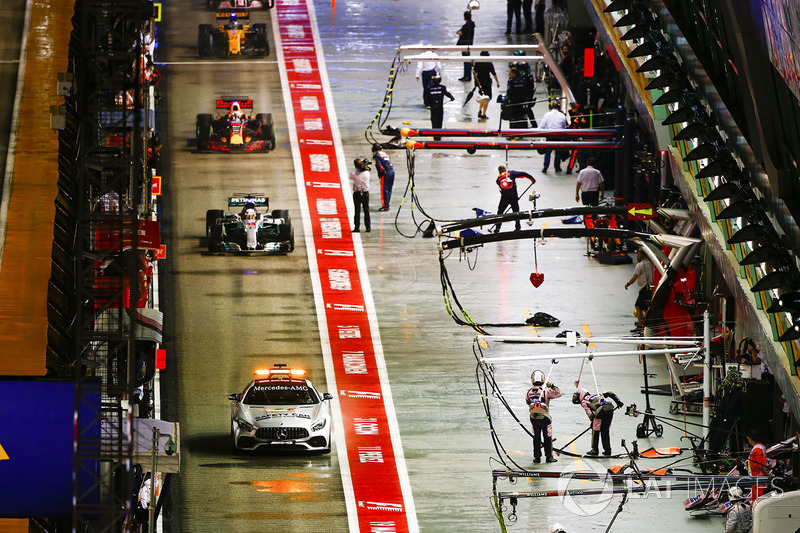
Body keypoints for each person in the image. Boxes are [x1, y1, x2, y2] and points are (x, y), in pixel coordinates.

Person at [526, 369, 562, 463]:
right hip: (545, 417)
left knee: (536, 437)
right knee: (547, 437)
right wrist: (553, 386)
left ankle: (537, 457)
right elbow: (559, 394)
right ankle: (549, 457)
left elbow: (528, 403)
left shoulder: (528, 392)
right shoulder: (546, 391)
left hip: (533, 418)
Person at [573, 388, 624, 456]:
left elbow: (590, 414)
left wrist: (592, 422)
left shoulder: (584, 402)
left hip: (600, 411)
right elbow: (609, 392)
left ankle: (594, 450)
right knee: (605, 431)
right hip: (610, 409)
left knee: (595, 431)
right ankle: (607, 450)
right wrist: (618, 402)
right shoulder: (597, 394)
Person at [492, 166, 535, 232]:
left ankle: (497, 228)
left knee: (500, 213)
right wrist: (532, 180)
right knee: (516, 213)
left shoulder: (498, 179)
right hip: (513, 197)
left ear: (499, 171)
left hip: (505, 198)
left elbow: (502, 190)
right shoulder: (511, 173)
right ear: (505, 170)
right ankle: (518, 228)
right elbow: (523, 174)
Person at [625, 248, 655, 333]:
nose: (637, 255)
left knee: (638, 306)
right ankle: (645, 324)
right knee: (644, 307)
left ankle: (641, 325)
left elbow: (635, 277)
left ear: (642, 254)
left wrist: (628, 284)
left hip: (643, 288)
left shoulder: (640, 265)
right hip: (650, 288)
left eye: (638, 254)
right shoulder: (651, 263)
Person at [539, 101, 568, 173]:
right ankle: (557, 167)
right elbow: (564, 127)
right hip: (559, 135)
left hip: (549, 134)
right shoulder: (562, 115)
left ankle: (545, 166)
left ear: (551, 107)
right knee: (558, 152)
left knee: (548, 151)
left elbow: (542, 126)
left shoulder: (547, 115)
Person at [473, 51, 500, 119]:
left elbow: (475, 73)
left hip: (480, 82)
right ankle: (484, 114)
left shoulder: (477, 62)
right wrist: (497, 82)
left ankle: (480, 110)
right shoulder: (489, 63)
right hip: (487, 82)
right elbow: (493, 73)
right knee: (487, 99)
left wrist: (475, 82)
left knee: (483, 97)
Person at [428, 73, 454, 138]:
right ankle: (439, 135)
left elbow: (427, 99)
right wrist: (451, 97)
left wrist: (430, 105)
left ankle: (435, 135)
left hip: (433, 109)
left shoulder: (430, 89)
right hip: (440, 108)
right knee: (439, 121)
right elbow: (447, 94)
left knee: (434, 122)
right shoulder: (442, 88)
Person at [349, 158, 371, 233]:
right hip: (365, 193)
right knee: (366, 211)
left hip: (357, 193)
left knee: (357, 211)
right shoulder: (367, 173)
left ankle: (357, 227)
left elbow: (352, 178)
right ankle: (368, 227)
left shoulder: (353, 174)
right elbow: (366, 171)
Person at [372, 144, 395, 212]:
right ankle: (388, 203)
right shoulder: (385, 154)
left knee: (384, 190)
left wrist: (380, 176)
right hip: (392, 172)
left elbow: (379, 167)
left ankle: (385, 206)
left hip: (386, 173)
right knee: (389, 189)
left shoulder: (377, 156)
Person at [457, 11, 475, 82]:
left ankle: (467, 76)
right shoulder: (470, 25)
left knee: (466, 61)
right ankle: (466, 75)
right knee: (466, 60)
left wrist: (460, 32)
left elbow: (461, 32)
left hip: (465, 44)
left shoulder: (467, 26)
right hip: (468, 44)